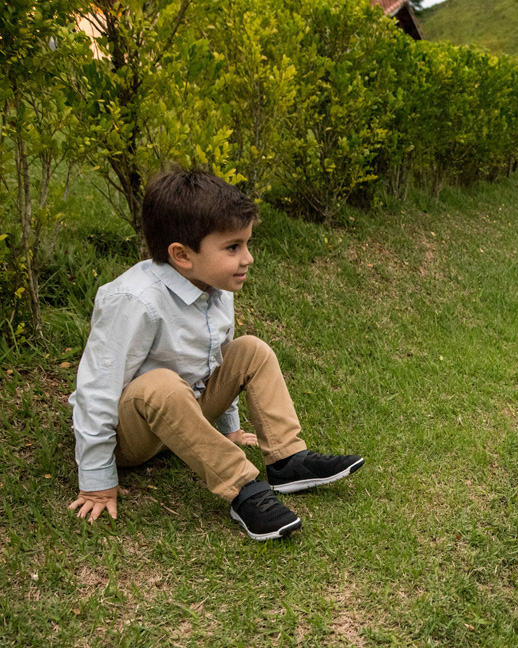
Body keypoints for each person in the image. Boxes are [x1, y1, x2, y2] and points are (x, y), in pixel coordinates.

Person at [68, 170, 366, 540]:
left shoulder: (216, 288)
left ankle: (288, 461)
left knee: (250, 350)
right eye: (233, 248)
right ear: (182, 255)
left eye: (246, 244)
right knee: (161, 384)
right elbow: (97, 389)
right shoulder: (135, 300)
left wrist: (231, 430)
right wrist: (97, 479)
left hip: (184, 416)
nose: (248, 258)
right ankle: (243, 488)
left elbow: (213, 362)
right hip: (131, 436)